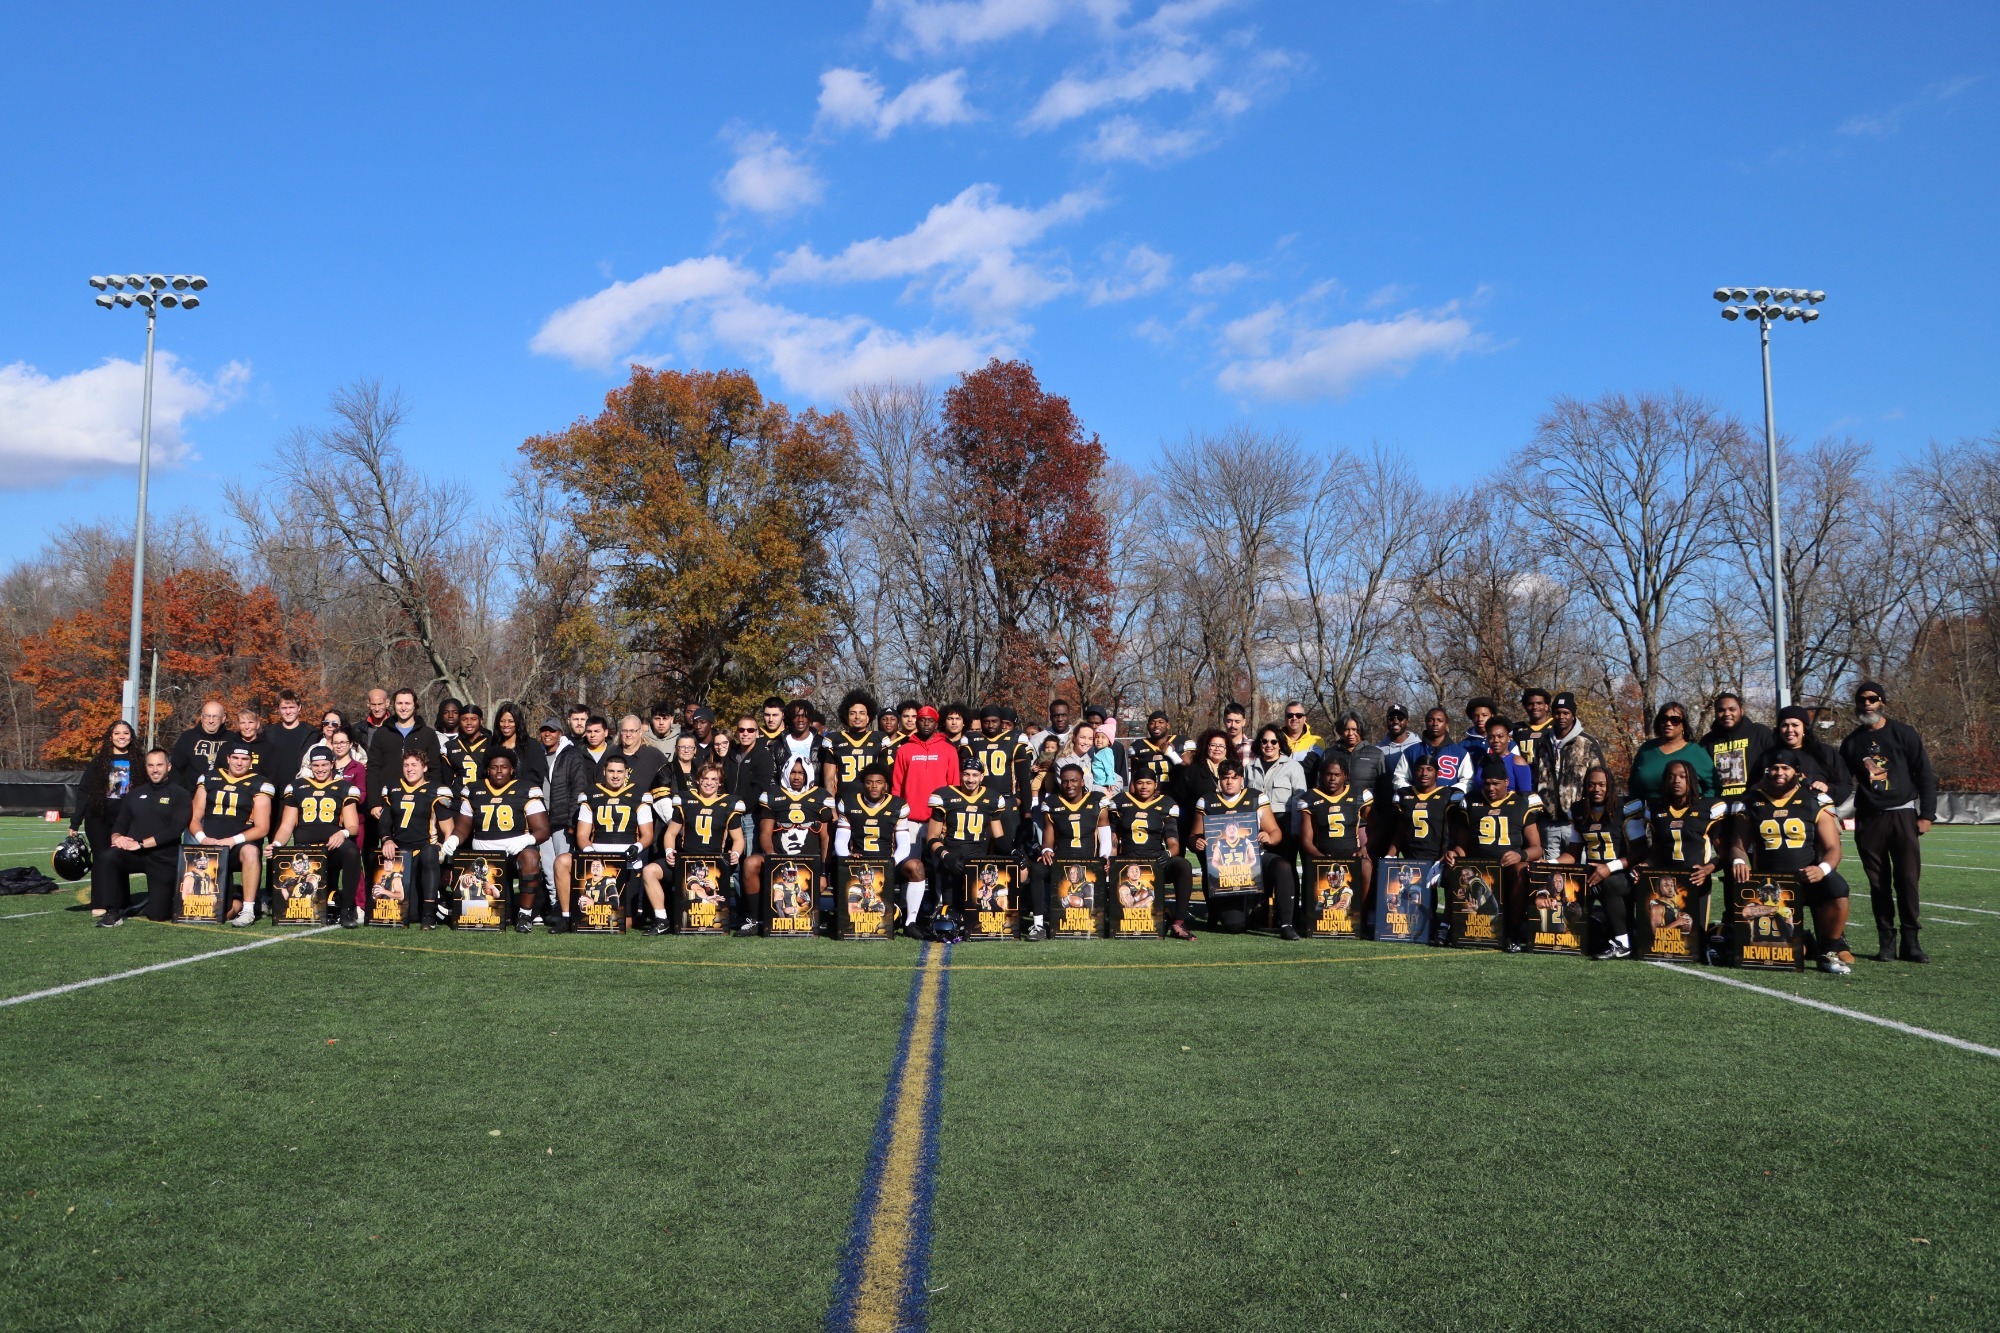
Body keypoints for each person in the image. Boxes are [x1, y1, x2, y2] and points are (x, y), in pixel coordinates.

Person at [1731, 750, 1854, 974]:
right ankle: (1805, 940)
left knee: (1838, 888)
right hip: (1768, 886)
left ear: (1797, 772)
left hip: (1805, 878)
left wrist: (1822, 869)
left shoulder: (1814, 799)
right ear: (1766, 772)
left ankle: (1829, 950)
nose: (1779, 773)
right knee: (1776, 950)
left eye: (1785, 768)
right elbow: (1738, 845)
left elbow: (1833, 848)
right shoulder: (1749, 801)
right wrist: (1739, 860)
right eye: (1774, 768)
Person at [1840, 681, 1938, 964]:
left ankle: (1911, 941)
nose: (1867, 703)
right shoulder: (1851, 742)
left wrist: (1926, 815)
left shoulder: (1903, 733)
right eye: (1862, 699)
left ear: (1883, 702)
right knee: (1878, 883)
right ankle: (1886, 940)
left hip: (1903, 815)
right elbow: (1843, 781)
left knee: (1907, 880)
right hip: (1869, 820)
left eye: (1872, 699)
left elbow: (1924, 775)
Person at [1443, 757, 1545, 952]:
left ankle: (1512, 932)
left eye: (1496, 784)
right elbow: (1462, 845)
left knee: (1520, 871)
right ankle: (1449, 927)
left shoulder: (1521, 804)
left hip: (1508, 866)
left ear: (1506, 782)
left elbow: (1537, 848)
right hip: (1479, 868)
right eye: (1487, 783)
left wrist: (1521, 855)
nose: (1491, 788)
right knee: (1454, 868)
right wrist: (1454, 853)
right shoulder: (1471, 802)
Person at [448, 750, 551, 933]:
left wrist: (526, 839)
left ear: (512, 770)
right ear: (487, 769)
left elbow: (543, 830)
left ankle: (525, 915)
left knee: (530, 857)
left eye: (504, 767)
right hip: (485, 858)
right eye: (494, 767)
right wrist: (455, 837)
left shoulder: (525, 789)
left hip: (514, 852)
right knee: (496, 913)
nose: (499, 771)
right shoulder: (474, 789)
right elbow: (464, 825)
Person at [1191, 760, 1297, 938]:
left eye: (1234, 777)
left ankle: (1286, 923)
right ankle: (1253, 907)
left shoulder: (1256, 797)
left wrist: (1269, 838)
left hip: (1254, 858)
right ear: (1219, 779)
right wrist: (1197, 842)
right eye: (1225, 778)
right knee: (1235, 926)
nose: (1230, 782)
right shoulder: (1207, 800)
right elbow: (1194, 835)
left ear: (1242, 779)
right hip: (1227, 870)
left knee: (1282, 866)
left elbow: (1276, 831)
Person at [1634, 758, 1722, 960]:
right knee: (1655, 941)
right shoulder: (1655, 810)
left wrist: (1709, 868)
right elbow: (1656, 849)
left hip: (1695, 881)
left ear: (1691, 780)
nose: (1677, 781)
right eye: (1672, 776)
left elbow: (1723, 852)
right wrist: (1645, 865)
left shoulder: (1708, 809)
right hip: (1664, 882)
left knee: (1693, 946)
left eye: (1682, 776)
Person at [270, 745, 366, 928]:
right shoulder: (297, 787)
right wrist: (275, 844)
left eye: (324, 764)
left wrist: (342, 832)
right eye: (316, 765)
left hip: (332, 847)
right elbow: (287, 825)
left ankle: (346, 910)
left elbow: (353, 826)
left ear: (332, 764)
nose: (320, 769)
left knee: (352, 851)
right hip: (304, 851)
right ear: (310, 766)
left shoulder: (344, 787)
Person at [650, 761, 748, 933]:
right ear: (698, 781)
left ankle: (734, 915)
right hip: (685, 861)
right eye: (705, 779)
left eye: (713, 779)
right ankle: (661, 920)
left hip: (716, 863)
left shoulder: (729, 804)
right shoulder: (685, 800)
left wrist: (736, 853)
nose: (709, 783)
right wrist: (668, 852)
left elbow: (738, 839)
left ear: (720, 782)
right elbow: (670, 834)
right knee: (649, 871)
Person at [96, 749, 190, 926]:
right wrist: (117, 838)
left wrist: (141, 844)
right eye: (151, 765)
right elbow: (119, 825)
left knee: (158, 915)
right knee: (108, 857)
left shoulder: (181, 794)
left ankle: (148, 904)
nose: (155, 770)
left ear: (168, 767)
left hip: (163, 858)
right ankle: (112, 911)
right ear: (146, 768)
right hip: (135, 855)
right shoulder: (134, 794)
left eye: (159, 765)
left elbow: (175, 830)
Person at [744, 757, 835, 937]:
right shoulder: (772, 794)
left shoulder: (821, 796)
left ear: (808, 774)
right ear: (786, 772)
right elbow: (765, 833)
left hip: (809, 863)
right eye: (793, 772)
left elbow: (826, 839)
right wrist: (772, 858)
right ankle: (754, 919)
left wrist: (824, 872)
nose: (796, 776)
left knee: (803, 900)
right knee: (750, 863)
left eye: (801, 773)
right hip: (779, 858)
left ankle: (819, 918)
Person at [561, 755, 653, 933]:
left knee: (622, 923)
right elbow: (582, 835)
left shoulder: (640, 796)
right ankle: (566, 917)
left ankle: (597, 909)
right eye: (611, 771)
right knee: (561, 861)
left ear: (627, 773)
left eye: (620, 771)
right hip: (597, 857)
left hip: (627, 858)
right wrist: (590, 853)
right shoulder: (591, 795)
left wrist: (637, 848)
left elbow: (647, 834)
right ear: (604, 772)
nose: (615, 775)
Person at [189, 739, 276, 926]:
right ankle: (236, 895)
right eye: (235, 757)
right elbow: (194, 818)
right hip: (210, 849)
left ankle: (248, 909)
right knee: (216, 915)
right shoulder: (209, 778)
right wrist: (203, 839)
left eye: (244, 759)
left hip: (238, 846)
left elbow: (262, 828)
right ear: (227, 758)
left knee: (251, 851)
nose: (239, 762)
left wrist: (232, 840)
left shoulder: (260, 784)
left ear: (250, 761)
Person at [1559, 766, 1639, 960]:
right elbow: (1573, 854)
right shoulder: (1579, 811)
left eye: (1602, 785)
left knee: (1609, 881)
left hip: (1622, 874)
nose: (1597, 789)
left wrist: (1609, 867)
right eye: (1592, 785)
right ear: (1585, 787)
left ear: (1610, 786)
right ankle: (1564, 934)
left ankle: (1623, 943)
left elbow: (1639, 851)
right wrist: (1548, 863)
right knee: (1565, 884)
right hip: (1592, 874)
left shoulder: (1625, 808)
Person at [925, 762, 1012, 938]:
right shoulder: (944, 795)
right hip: (952, 861)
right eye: (966, 774)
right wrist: (947, 857)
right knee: (951, 915)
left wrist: (1014, 852)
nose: (970, 779)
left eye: (974, 775)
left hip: (978, 865)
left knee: (980, 916)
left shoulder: (992, 798)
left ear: (982, 777)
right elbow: (932, 838)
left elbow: (999, 837)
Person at [372, 749, 457, 928]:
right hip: (402, 854)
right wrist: (387, 839)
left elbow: (449, 831)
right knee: (409, 916)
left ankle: (429, 913)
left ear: (425, 767)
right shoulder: (393, 788)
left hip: (427, 849)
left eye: (414, 765)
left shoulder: (436, 790)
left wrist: (448, 865)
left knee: (428, 853)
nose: (410, 769)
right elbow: (384, 822)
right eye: (406, 765)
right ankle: (435, 902)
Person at [834, 763, 921, 935]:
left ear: (886, 785)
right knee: (836, 863)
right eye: (869, 782)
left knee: (916, 867)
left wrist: (890, 863)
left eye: (879, 782)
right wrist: (848, 860)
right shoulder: (849, 803)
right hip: (859, 866)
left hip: (888, 863)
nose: (874, 786)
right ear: (863, 784)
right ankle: (840, 916)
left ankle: (911, 922)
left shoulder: (898, 805)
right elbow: (840, 842)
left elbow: (904, 844)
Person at [1107, 769, 1194, 940]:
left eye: (1148, 783)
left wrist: (1168, 854)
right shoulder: (1120, 802)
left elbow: (1174, 843)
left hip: (1156, 861)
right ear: (1133, 784)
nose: (1144, 787)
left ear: (1155, 785)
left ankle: (1178, 922)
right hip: (1127, 862)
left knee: (1183, 865)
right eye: (1140, 782)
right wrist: (1112, 859)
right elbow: (1113, 839)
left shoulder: (1166, 803)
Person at [1299, 754, 1373, 935]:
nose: (1332, 778)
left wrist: (1365, 848)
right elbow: (1306, 839)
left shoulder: (1358, 794)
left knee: (1366, 866)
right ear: (1322, 775)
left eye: (1337, 775)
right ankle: (1314, 919)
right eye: (1328, 774)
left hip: (1351, 855)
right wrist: (1320, 858)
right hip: (1323, 855)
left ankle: (1361, 918)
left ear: (1345, 775)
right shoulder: (1311, 797)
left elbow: (1377, 825)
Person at [1033, 762, 1105, 937]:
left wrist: (1104, 857)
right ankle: (1038, 925)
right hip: (1062, 861)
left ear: (1082, 781)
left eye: (1074, 780)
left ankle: (1105, 919)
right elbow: (1048, 835)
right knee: (1036, 869)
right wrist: (1046, 851)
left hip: (1089, 860)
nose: (1069, 785)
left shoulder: (1097, 800)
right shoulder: (1052, 803)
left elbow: (1104, 832)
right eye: (1065, 781)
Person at [73, 720, 137, 918]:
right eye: (117, 733)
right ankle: (100, 902)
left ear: (131, 736)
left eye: (125, 733)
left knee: (120, 857)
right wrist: (75, 822)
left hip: (125, 819)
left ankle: (121, 900)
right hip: (98, 817)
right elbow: (84, 791)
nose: (121, 737)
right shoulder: (100, 761)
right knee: (101, 859)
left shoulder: (139, 761)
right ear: (111, 737)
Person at [1545, 692, 1608, 857]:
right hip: (1549, 822)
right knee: (1552, 875)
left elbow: (1600, 779)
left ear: (1573, 715)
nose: (1561, 717)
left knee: (1579, 875)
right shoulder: (1543, 744)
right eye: (1557, 713)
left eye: (1566, 713)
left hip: (1578, 821)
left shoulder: (1587, 743)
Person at [364, 688, 444, 812]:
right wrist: (374, 803)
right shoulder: (382, 734)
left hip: (420, 801)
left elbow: (435, 770)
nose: (403, 707)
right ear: (393, 705)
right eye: (399, 703)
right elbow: (374, 769)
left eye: (407, 703)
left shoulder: (427, 734)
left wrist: (432, 798)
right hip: (387, 800)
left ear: (415, 706)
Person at [1626, 701, 1718, 804]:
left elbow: (1714, 787)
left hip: (1686, 815)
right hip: (1647, 815)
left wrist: (1700, 809)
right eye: (1664, 719)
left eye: (1675, 720)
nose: (1668, 723)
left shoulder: (1697, 752)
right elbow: (1632, 784)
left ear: (1683, 725)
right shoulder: (1646, 749)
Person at [1701, 691, 1774, 803]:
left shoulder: (1759, 732)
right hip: (1718, 807)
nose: (1727, 713)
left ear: (1742, 711)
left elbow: (1779, 761)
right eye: (1721, 710)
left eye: (1732, 709)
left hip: (1754, 804)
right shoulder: (1707, 741)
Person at [1246, 725, 1309, 850]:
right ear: (1259, 744)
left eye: (1274, 741)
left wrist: (1295, 831)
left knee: (1284, 867)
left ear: (1280, 744)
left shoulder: (1293, 767)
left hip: (1284, 823)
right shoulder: (1249, 768)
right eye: (1265, 741)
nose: (1269, 745)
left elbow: (1299, 800)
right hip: (1256, 825)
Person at [826, 689, 892, 799]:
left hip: (870, 801)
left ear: (868, 717)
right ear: (846, 717)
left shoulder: (879, 739)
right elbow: (829, 779)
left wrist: (882, 804)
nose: (857, 717)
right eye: (853, 713)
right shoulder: (834, 739)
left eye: (862, 713)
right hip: (843, 801)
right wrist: (831, 806)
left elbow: (884, 778)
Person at [1397, 706, 1475, 794]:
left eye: (1440, 720)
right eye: (1431, 720)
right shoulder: (1411, 751)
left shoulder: (1460, 753)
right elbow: (1399, 777)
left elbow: (1467, 780)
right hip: (1416, 803)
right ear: (1426, 723)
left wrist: (1450, 793)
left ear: (1446, 725)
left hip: (1449, 804)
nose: (1435, 723)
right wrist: (1411, 793)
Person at [170, 698, 234, 788]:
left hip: (223, 796)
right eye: (207, 716)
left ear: (223, 718)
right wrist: (182, 796)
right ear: (201, 717)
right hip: (192, 795)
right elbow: (176, 769)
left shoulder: (233, 739)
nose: (211, 720)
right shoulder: (188, 738)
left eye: (215, 716)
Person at [265, 689, 316, 785]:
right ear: (278, 709)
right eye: (284, 708)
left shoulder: (311, 734)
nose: (288, 711)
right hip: (274, 789)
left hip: (302, 788)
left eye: (292, 707)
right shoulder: (268, 733)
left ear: (299, 707)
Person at [1128, 710, 1187, 792]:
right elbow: (1134, 778)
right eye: (1152, 723)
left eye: (1161, 722)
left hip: (1175, 796)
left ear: (1168, 725)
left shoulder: (1181, 742)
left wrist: (1172, 754)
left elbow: (1189, 771)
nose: (1156, 725)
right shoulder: (1138, 746)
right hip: (1149, 797)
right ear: (1148, 726)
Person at [491, 702, 546, 788]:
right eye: (502, 721)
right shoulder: (492, 746)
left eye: (511, 721)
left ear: (517, 722)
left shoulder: (531, 745)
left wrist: (514, 790)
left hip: (524, 797)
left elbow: (537, 777)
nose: (506, 725)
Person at [612, 714, 666, 793]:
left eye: (632, 731)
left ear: (640, 732)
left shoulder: (654, 755)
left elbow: (667, 782)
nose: (628, 734)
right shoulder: (611, 753)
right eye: (624, 731)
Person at [443, 704, 491, 792]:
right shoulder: (450, 746)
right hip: (458, 798)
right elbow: (446, 778)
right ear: (459, 721)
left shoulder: (491, 743)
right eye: (464, 719)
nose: (469, 723)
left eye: (473, 719)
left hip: (484, 798)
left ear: (481, 720)